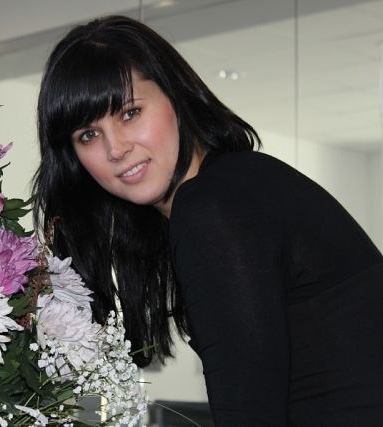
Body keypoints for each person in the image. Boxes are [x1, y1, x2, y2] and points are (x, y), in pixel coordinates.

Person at [31, 15, 383, 426]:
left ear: (175, 97)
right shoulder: (237, 185)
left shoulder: (213, 207)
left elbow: (250, 416)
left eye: (130, 113)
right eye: (88, 135)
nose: (116, 148)